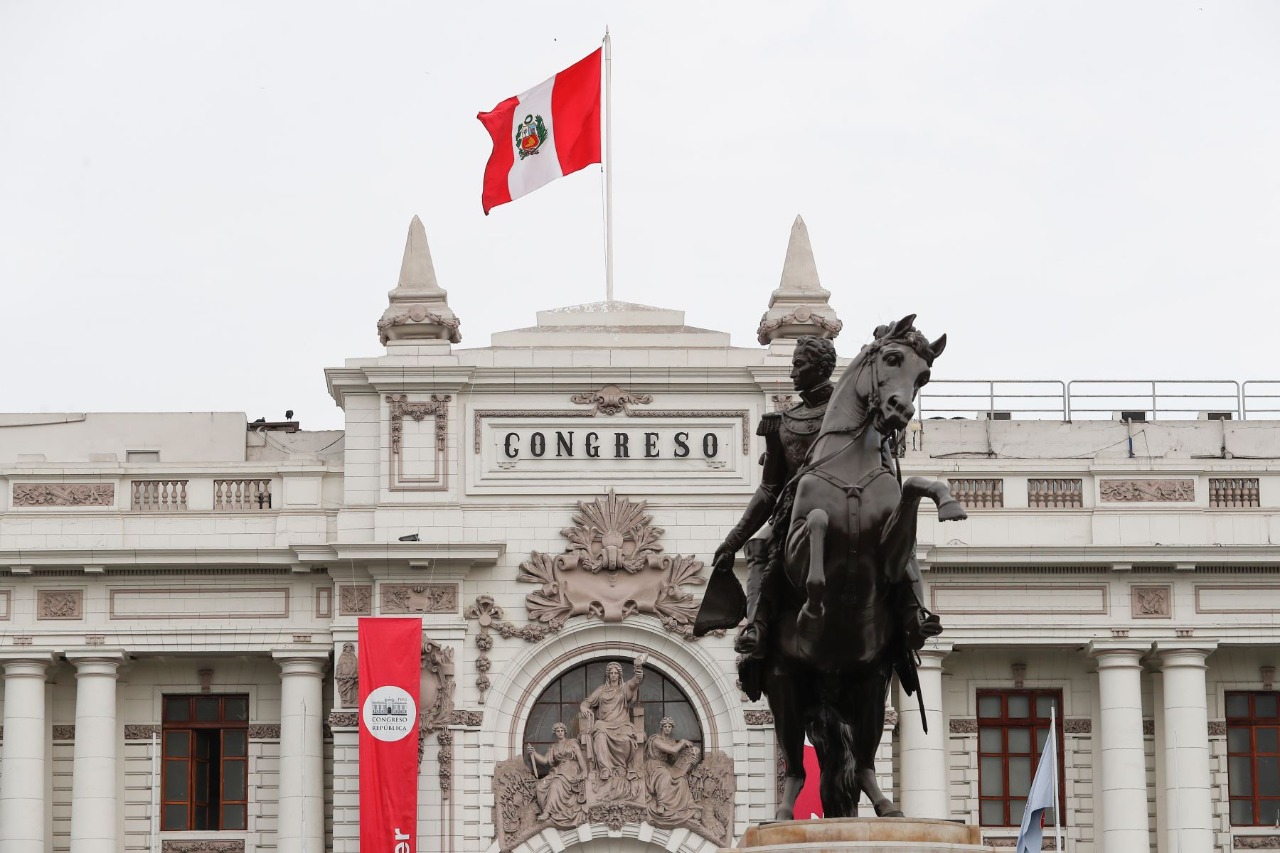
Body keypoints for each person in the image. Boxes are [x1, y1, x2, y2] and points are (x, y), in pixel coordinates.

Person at [695, 336, 838, 666]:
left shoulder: (848, 413)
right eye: (792, 364)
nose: (792, 372)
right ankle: (755, 626)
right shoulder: (781, 423)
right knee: (758, 547)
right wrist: (734, 541)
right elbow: (769, 489)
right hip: (795, 513)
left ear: (821, 367)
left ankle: (913, 610)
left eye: (799, 364)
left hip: (847, 503)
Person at [578, 657, 646, 800]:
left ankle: (621, 767)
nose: (614, 675)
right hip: (604, 724)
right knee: (600, 735)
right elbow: (587, 702)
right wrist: (583, 707)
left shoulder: (624, 688)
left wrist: (638, 672)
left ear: (619, 675)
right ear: (608, 675)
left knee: (626, 740)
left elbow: (634, 682)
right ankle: (605, 769)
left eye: (616, 673)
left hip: (622, 724)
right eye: (611, 673)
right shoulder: (601, 690)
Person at [526, 722, 587, 825]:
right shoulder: (553, 747)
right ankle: (549, 809)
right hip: (559, 770)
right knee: (541, 786)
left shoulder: (572, 743)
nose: (560, 733)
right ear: (555, 733)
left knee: (555, 784)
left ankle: (547, 812)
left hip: (571, 769)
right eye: (558, 731)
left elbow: (580, 758)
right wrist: (534, 753)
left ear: (565, 731)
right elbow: (545, 760)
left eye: (562, 730)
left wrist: (584, 771)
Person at [645, 717, 700, 825]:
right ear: (661, 727)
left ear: (672, 728)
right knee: (665, 776)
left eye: (669, 726)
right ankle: (662, 804)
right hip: (654, 765)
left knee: (681, 780)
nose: (667, 728)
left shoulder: (672, 741)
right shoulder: (656, 739)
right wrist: (682, 742)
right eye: (665, 726)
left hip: (666, 766)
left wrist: (690, 759)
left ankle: (687, 807)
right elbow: (673, 750)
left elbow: (675, 759)